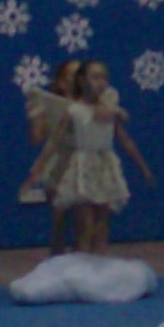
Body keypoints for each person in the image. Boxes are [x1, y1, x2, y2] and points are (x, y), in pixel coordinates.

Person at [47, 61, 153, 254]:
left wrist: (143, 167)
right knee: (85, 227)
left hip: (105, 169)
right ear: (82, 80)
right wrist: (49, 172)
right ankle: (81, 266)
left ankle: (100, 264)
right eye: (95, 77)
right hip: (82, 170)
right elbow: (56, 143)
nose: (100, 82)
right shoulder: (74, 111)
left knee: (102, 227)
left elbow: (125, 141)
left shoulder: (110, 111)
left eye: (104, 77)